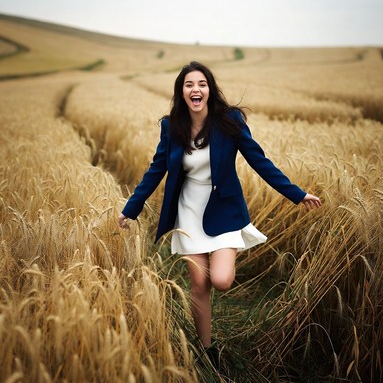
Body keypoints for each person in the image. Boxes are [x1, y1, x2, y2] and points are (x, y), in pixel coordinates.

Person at [118, 61, 322, 362]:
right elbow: (156, 169)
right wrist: (130, 209)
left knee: (222, 279)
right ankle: (206, 349)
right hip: (188, 212)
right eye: (189, 85)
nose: (195, 89)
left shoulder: (230, 120)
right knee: (199, 284)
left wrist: (296, 193)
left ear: (210, 89)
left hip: (224, 209)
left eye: (201, 83)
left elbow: (259, 161)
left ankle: (209, 323)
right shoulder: (171, 126)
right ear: (182, 92)